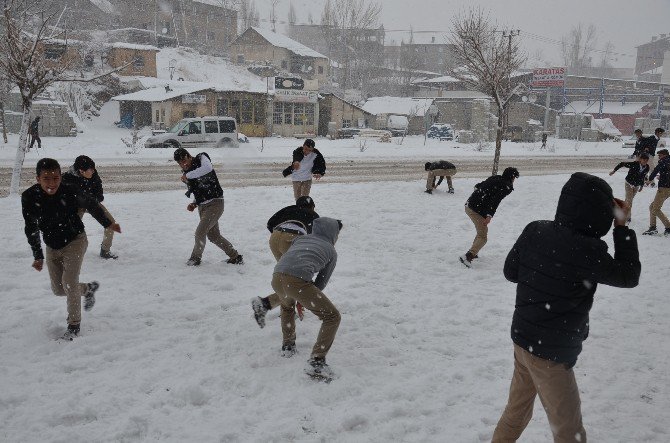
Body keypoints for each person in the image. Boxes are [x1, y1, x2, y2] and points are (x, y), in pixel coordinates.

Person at [492, 172, 640, 442]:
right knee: (569, 433)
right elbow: (629, 276)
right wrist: (622, 228)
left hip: (523, 342)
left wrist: (542, 267)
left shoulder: (535, 229)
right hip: (551, 354)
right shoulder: (590, 252)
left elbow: (511, 272)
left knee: (516, 413)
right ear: (601, 213)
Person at [21, 158, 122, 340]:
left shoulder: (69, 190)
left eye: (55, 178)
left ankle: (74, 325)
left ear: (60, 177)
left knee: (68, 282)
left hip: (75, 240)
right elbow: (31, 228)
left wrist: (108, 223)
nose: (52, 183)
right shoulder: (29, 197)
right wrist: (38, 255)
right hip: (52, 245)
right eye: (46, 178)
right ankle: (87, 289)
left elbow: (92, 204)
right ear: (38, 178)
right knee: (59, 290)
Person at [271, 217, 342, 380]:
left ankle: (288, 345)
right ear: (333, 233)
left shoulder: (300, 239)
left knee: (287, 306)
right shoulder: (331, 250)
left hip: (276, 277)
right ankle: (317, 362)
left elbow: (291, 260)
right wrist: (305, 297)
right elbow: (321, 282)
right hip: (296, 281)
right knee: (332, 317)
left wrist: (301, 296)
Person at [252, 196, 320, 336]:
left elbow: (270, 223)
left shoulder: (289, 209)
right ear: (312, 206)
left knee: (287, 278)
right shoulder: (313, 215)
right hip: (292, 238)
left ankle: (268, 305)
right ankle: (270, 304)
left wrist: (280, 234)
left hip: (275, 238)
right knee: (293, 279)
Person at [174, 148, 243, 266]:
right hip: (203, 207)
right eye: (180, 163)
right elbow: (199, 190)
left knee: (200, 232)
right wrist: (194, 203)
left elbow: (208, 168)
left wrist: (188, 175)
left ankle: (195, 259)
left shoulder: (201, 158)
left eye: (184, 160)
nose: (183, 164)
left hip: (215, 203)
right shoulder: (188, 173)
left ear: (189, 156)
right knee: (214, 236)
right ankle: (235, 256)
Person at [459, 167, 519, 268]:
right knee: (483, 236)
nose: (514, 180)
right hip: (475, 210)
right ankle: (468, 256)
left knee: (481, 232)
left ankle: (474, 251)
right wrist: (489, 215)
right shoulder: (506, 186)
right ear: (512, 177)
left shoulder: (495, 178)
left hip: (470, 205)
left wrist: (479, 196)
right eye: (514, 177)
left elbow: (478, 185)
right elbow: (495, 201)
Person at [62, 155, 119, 259]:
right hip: (76, 207)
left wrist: (94, 199)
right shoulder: (67, 179)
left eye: (93, 169)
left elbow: (99, 191)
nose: (93, 171)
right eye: (90, 170)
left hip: (92, 203)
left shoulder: (93, 174)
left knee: (111, 224)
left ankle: (105, 251)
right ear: (81, 171)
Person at [609, 152, 650, 222]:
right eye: (644, 160)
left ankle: (620, 209)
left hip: (636, 185)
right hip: (629, 183)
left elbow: (644, 176)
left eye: (646, 160)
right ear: (640, 159)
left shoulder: (647, 167)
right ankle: (627, 217)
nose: (645, 161)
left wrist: (642, 185)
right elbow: (622, 163)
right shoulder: (634, 164)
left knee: (628, 201)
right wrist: (614, 171)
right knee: (629, 201)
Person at [642, 148, 670, 236]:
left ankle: (668, 227)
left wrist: (649, 180)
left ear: (664, 155)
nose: (659, 157)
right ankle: (653, 227)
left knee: (655, 209)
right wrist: (662, 177)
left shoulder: (663, 161)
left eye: (660, 155)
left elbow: (655, 170)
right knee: (652, 207)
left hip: (664, 189)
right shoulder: (668, 161)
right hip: (667, 188)